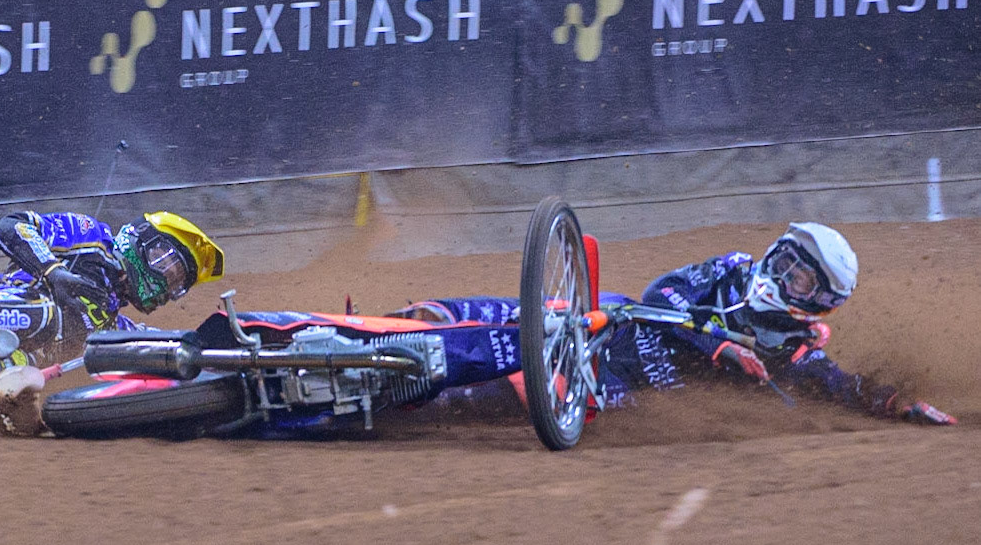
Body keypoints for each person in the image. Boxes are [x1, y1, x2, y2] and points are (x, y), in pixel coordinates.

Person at [390, 222, 957, 424]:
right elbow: (661, 291)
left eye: (799, 278)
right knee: (491, 315)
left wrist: (895, 403)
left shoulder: (798, 355)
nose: (779, 274)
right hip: (616, 321)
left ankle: (406, 397)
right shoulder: (731, 271)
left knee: (501, 389)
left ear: (820, 302)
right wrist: (717, 348)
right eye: (783, 258)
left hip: (613, 389)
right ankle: (394, 326)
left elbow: (842, 387)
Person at [0, 209, 225, 358]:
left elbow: (160, 345)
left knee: (40, 366)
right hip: (6, 297)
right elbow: (12, 225)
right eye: (168, 267)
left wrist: (212, 344)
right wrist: (53, 272)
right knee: (50, 316)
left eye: (178, 284)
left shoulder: (115, 323)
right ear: (140, 240)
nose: (168, 286)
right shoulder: (91, 237)